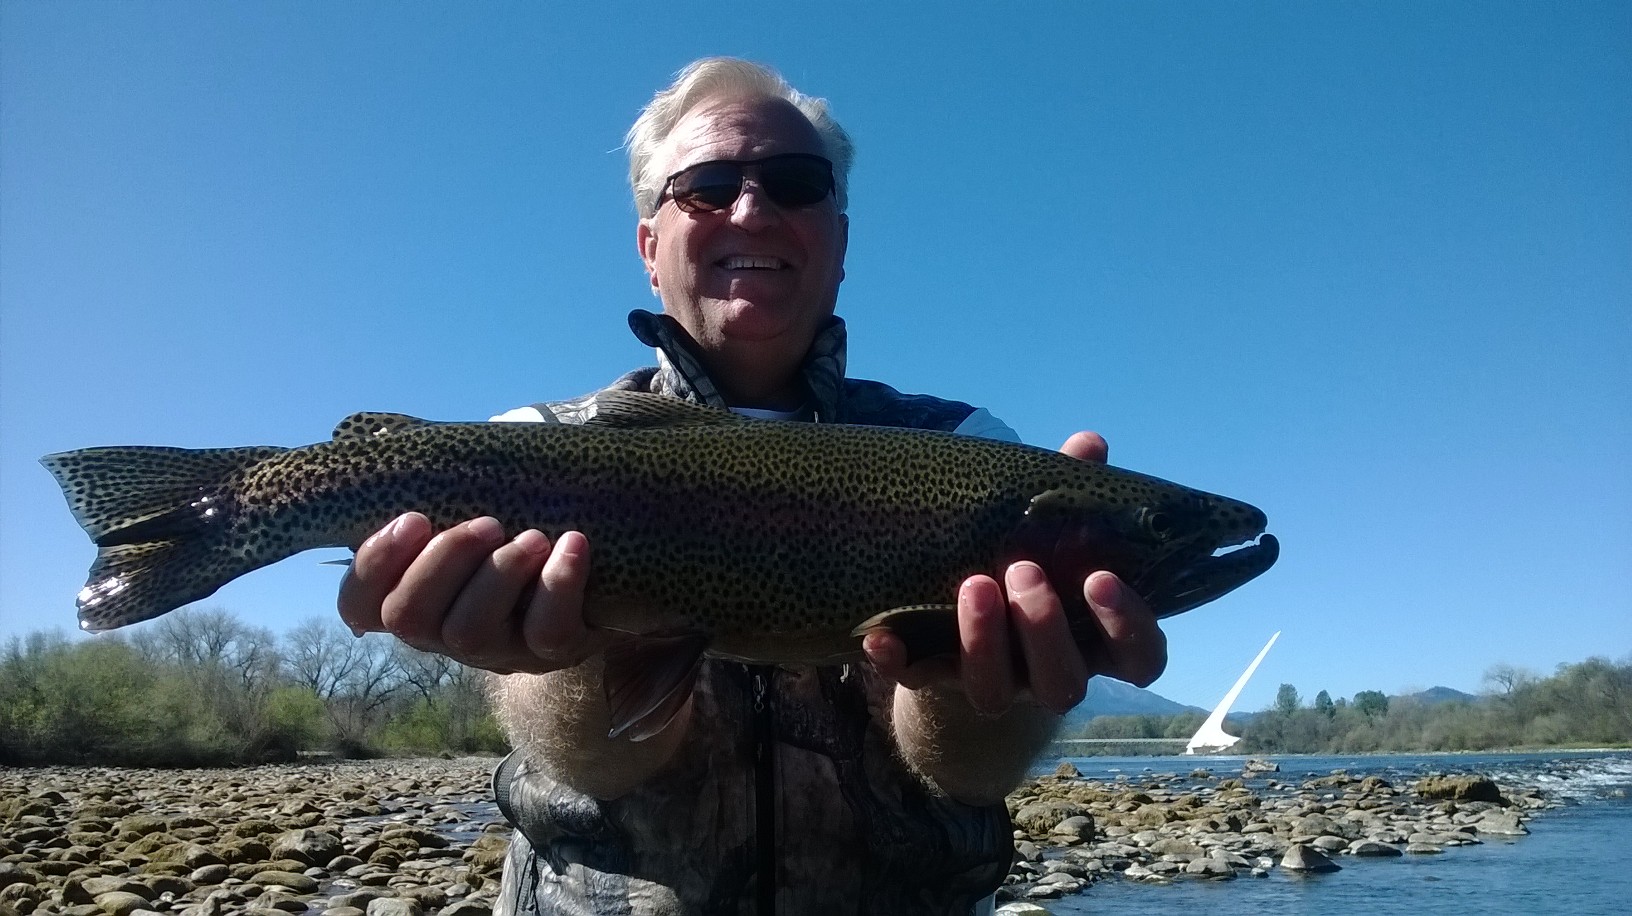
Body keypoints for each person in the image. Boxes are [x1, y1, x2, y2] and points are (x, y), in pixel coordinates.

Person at [338, 58, 1167, 916]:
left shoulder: (968, 450)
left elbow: (969, 776)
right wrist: (580, 648)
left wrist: (980, 688)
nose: (751, 209)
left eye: (795, 183)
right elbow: (596, 766)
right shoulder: (532, 447)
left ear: (840, 243)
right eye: (705, 187)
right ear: (649, 248)